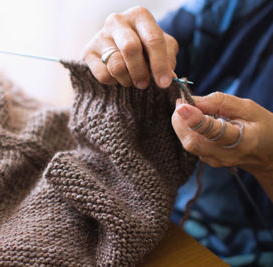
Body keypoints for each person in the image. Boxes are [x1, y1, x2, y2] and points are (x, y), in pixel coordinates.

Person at [82, 0, 273, 266]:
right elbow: (146, 48)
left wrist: (269, 162)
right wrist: (119, 50)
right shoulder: (239, 8)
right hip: (156, 221)